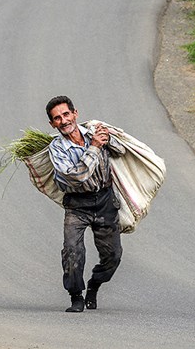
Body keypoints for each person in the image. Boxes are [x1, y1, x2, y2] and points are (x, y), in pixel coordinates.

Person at [46, 95, 126, 313]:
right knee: (72, 251)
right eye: (57, 119)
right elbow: (75, 177)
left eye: (66, 114)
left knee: (113, 256)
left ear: (75, 114)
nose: (63, 121)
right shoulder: (57, 148)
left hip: (105, 201)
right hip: (77, 205)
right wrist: (94, 148)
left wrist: (107, 139)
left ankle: (94, 285)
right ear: (52, 124)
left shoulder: (94, 133)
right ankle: (76, 296)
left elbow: (121, 152)